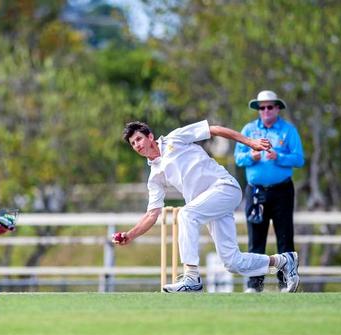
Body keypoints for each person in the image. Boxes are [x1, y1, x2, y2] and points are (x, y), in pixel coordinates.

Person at [112, 120, 300, 293]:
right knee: (233, 262)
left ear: (150, 136)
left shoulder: (175, 138)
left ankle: (191, 277)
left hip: (225, 186)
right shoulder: (155, 176)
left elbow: (214, 129)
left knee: (186, 214)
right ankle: (284, 261)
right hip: (210, 205)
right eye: (133, 144)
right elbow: (152, 215)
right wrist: (130, 235)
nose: (137, 145)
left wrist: (249, 142)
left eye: (139, 139)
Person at [234, 90, 305, 293]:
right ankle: (254, 285)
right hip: (255, 192)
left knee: (285, 237)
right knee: (256, 238)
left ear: (277, 108)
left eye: (270, 107)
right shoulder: (248, 130)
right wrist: (251, 156)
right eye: (262, 107)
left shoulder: (287, 131)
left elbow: (299, 159)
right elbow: (239, 158)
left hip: (282, 190)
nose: (265, 111)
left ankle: (287, 283)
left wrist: (279, 157)